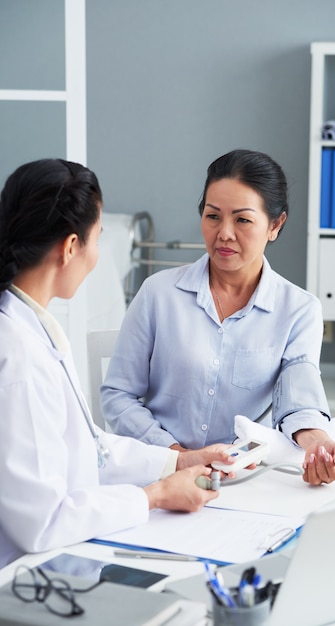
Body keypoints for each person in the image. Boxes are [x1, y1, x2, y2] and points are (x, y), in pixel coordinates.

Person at [0, 158, 236, 569]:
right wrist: (155, 496)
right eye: (97, 238)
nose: (96, 256)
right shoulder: (19, 358)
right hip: (28, 573)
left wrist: (178, 461)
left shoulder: (32, 327)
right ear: (71, 247)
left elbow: (88, 447)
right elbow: (42, 523)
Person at [101, 149, 335, 486]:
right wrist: (177, 457)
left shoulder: (299, 310)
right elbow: (118, 396)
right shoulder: (158, 293)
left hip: (243, 482)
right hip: (158, 475)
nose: (225, 233)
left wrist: (319, 446)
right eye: (213, 216)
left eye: (242, 220)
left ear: (275, 225)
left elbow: (298, 403)